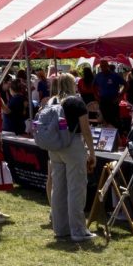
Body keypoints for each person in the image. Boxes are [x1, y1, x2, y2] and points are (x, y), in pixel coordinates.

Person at [43, 73, 96, 242]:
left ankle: (60, 228)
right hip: (72, 146)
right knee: (76, 188)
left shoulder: (52, 101)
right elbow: (85, 129)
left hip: (55, 147)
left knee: (58, 188)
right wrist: (92, 152)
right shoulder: (76, 102)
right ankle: (78, 230)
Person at [94, 61, 125, 128]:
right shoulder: (98, 76)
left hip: (113, 100)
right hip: (103, 101)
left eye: (104, 66)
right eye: (101, 66)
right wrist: (96, 96)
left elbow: (126, 85)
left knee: (115, 120)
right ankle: (106, 135)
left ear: (107, 66)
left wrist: (119, 96)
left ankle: (117, 135)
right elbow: (93, 86)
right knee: (104, 120)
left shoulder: (115, 75)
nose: (103, 68)